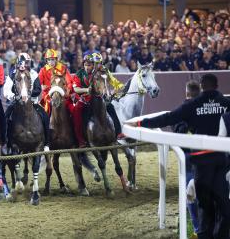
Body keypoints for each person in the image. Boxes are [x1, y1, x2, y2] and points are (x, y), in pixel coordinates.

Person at [129, 73, 230, 239]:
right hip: (220, 160)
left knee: (204, 207)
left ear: (202, 87)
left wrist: (140, 123)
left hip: (201, 162)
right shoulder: (226, 103)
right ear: (217, 86)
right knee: (223, 205)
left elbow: (168, 118)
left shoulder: (193, 104)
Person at [3, 52, 50, 152]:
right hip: (16, 102)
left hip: (32, 102)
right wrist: (14, 96)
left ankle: (46, 143)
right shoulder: (13, 74)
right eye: (24, 62)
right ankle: (6, 143)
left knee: (45, 116)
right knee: (5, 117)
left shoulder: (34, 74)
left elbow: (38, 89)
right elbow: (6, 90)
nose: (26, 65)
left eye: (27, 62)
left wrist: (29, 94)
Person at [172, 80, 201, 238]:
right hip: (209, 154)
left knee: (190, 193)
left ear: (186, 93)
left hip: (188, 157)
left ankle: (197, 228)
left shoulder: (180, 110)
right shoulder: (208, 108)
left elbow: (175, 129)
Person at [91, 51, 125, 139]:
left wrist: (114, 91)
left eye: (99, 63)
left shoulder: (105, 71)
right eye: (95, 63)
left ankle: (118, 133)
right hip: (91, 100)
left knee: (111, 109)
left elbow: (116, 83)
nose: (97, 65)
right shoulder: (88, 72)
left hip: (104, 99)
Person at [38, 48, 73, 114]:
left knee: (72, 109)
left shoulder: (63, 68)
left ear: (56, 60)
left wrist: (68, 91)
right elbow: (38, 84)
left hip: (63, 94)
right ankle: (46, 123)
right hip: (48, 95)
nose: (51, 62)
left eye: (53, 60)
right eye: (49, 60)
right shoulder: (43, 70)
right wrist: (41, 86)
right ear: (46, 61)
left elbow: (69, 82)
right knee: (45, 108)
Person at [71, 54, 95, 148]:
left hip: (95, 98)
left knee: (110, 107)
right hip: (83, 99)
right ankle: (81, 141)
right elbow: (76, 89)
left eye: (89, 65)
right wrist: (86, 90)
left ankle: (115, 134)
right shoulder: (79, 74)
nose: (87, 67)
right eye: (85, 64)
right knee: (75, 111)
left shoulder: (97, 73)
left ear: (93, 65)